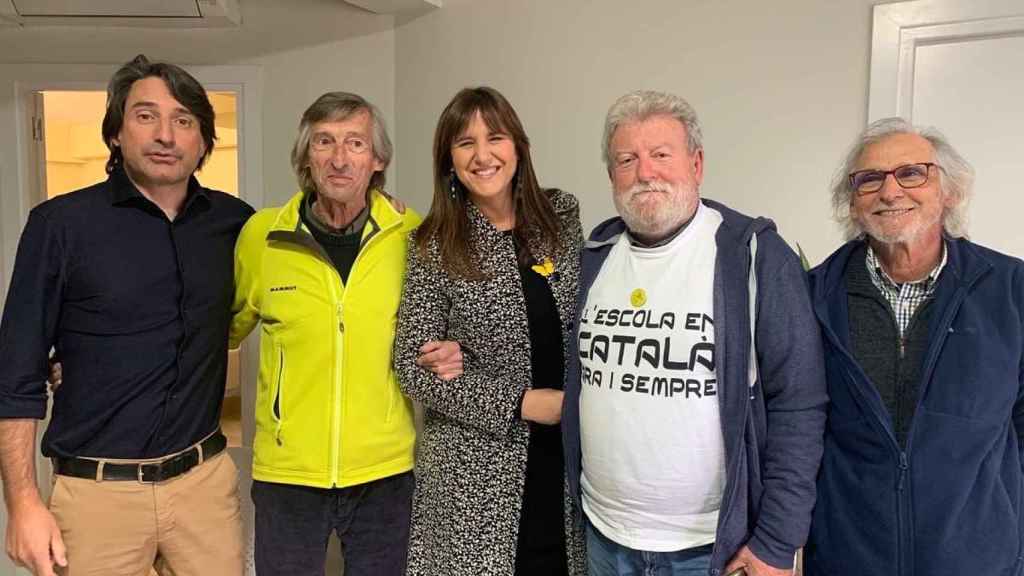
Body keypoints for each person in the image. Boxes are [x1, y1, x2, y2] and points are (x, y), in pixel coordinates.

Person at [0, 54, 251, 576]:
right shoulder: (60, 226)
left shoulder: (234, 224)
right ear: (115, 131)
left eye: (184, 121)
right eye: (146, 116)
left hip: (203, 490)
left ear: (203, 140)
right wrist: (22, 504)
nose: (166, 135)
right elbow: (16, 373)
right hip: (98, 498)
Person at [562, 90, 828, 576]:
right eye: (627, 159)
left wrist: (776, 542)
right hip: (603, 537)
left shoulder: (753, 257)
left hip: (712, 548)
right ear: (611, 176)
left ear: (697, 163)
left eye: (661, 155)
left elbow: (800, 404)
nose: (645, 173)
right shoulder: (595, 254)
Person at [230, 91, 458, 576]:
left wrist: (455, 351)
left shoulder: (412, 235)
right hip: (287, 475)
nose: (339, 158)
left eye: (355, 143)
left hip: (384, 473)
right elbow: (220, 332)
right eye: (324, 142)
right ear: (305, 157)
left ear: (377, 160)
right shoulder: (262, 237)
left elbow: (448, 324)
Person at [804, 117, 1024, 576]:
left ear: (950, 191)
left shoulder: (1011, 290)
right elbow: (794, 430)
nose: (890, 192)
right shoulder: (812, 296)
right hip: (846, 560)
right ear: (851, 202)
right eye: (870, 179)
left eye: (912, 173)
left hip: (979, 562)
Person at [393, 86, 586, 576]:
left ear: (517, 148)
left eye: (495, 137)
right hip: (474, 477)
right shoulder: (433, 244)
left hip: (565, 462)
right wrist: (521, 403)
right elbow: (413, 369)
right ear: (448, 160)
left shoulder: (562, 219)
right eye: (465, 143)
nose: (483, 155)